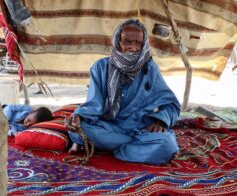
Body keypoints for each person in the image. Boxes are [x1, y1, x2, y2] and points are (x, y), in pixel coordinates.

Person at [65, 19, 181, 165]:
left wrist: (159, 121)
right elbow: (94, 103)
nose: (133, 48)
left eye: (138, 43)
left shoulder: (150, 68)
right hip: (108, 126)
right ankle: (136, 149)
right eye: (127, 42)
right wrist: (78, 116)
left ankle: (115, 148)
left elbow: (171, 104)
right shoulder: (100, 67)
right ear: (117, 42)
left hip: (140, 128)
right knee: (77, 131)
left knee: (167, 145)